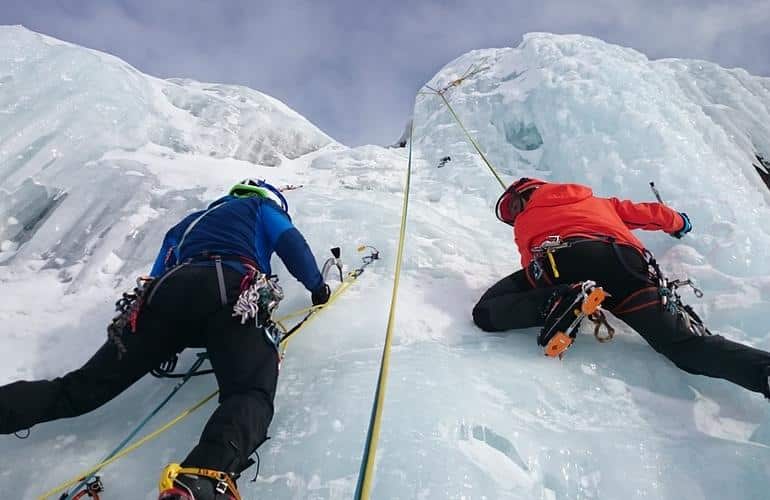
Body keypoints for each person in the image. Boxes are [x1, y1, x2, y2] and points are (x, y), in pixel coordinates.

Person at [0, 179, 332, 500]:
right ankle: (203, 477)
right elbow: (291, 243)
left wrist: (159, 338)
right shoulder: (260, 207)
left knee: (78, 389)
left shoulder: (190, 222)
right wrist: (317, 287)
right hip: (228, 288)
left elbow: (159, 270)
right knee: (249, 391)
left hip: (164, 295)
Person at [473, 177, 770, 397]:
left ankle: (563, 298)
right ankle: (763, 373)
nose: (515, 215)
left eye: (513, 207)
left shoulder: (525, 221)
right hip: (626, 266)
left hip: (561, 259)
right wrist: (679, 223)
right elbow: (648, 213)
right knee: (682, 346)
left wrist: (549, 289)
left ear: (527, 194)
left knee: (486, 310)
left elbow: (530, 266)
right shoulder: (598, 203)